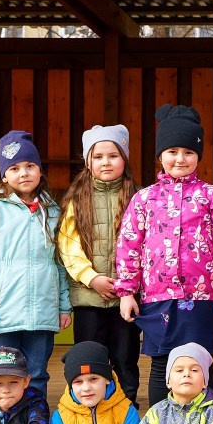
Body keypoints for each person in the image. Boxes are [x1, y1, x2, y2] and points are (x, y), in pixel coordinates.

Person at [115, 105, 213, 406]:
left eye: (188, 152)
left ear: (198, 156)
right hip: (158, 297)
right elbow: (129, 246)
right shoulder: (145, 198)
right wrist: (126, 292)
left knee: (201, 364)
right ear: (161, 155)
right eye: (172, 151)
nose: (180, 159)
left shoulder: (211, 196)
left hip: (202, 297)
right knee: (162, 365)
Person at [0, 130, 71, 397]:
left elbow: (60, 262)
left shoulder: (52, 212)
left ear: (40, 170)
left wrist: (63, 305)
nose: (24, 173)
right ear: (4, 175)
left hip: (42, 313)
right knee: (3, 376)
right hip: (0, 313)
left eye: (30, 166)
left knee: (37, 374)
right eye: (14, 168)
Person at [57, 124, 141, 405]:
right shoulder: (77, 199)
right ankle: (89, 408)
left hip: (125, 297)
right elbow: (68, 247)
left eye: (113, 155)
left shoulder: (137, 197)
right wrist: (92, 278)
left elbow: (146, 244)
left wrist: (128, 284)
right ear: (87, 161)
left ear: (125, 159)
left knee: (125, 355)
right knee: (90, 357)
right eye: (98, 156)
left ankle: (126, 407)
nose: (106, 162)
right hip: (89, 297)